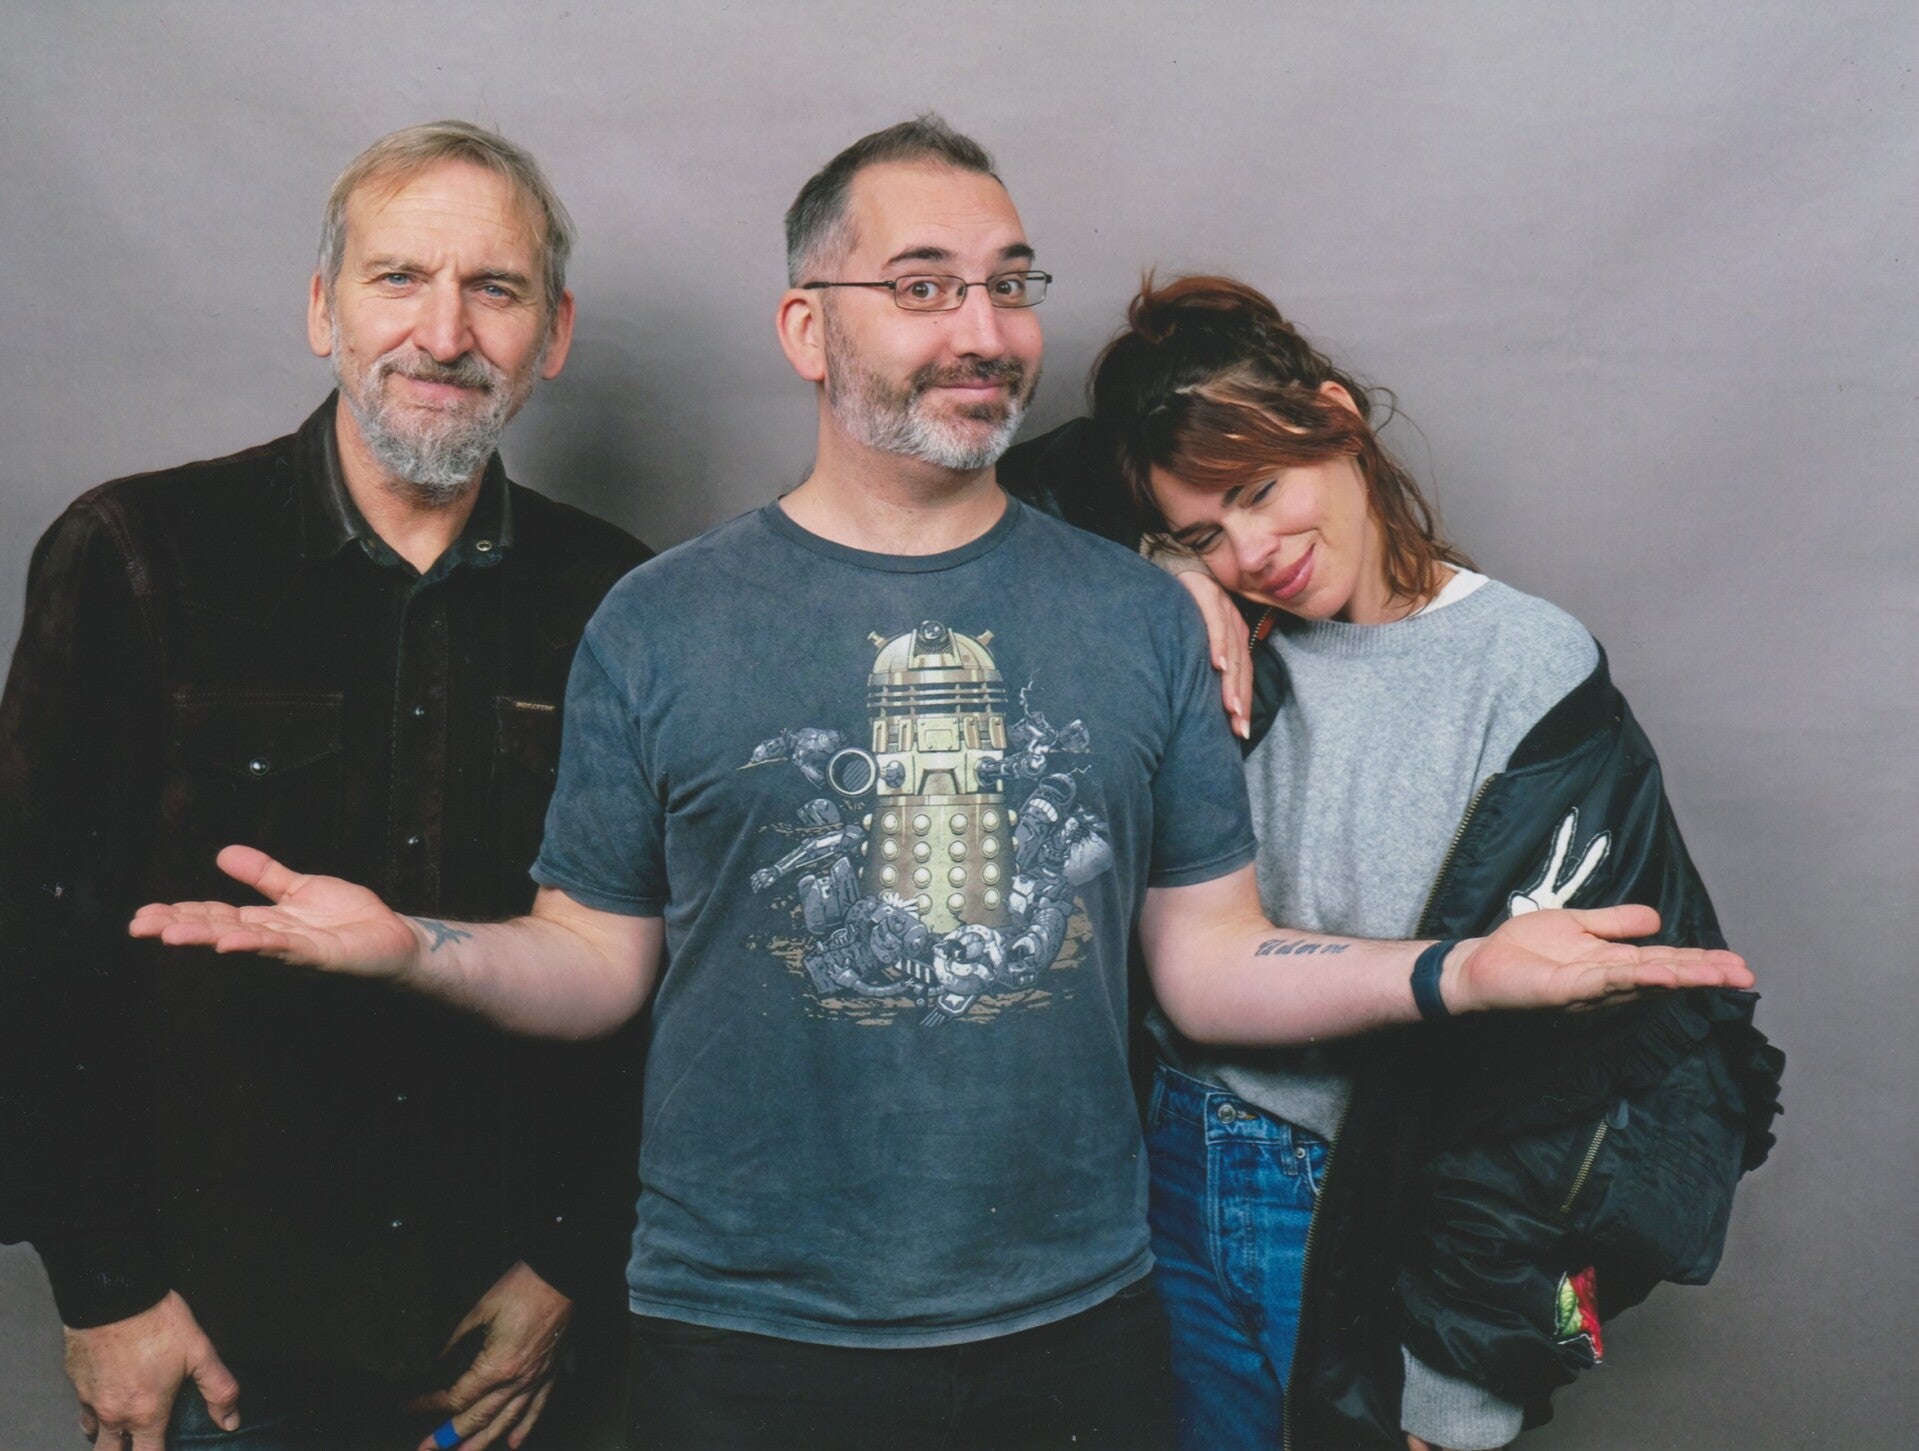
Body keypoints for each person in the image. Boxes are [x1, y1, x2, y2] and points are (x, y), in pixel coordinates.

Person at [127, 118, 1752, 1451]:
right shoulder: (660, 617)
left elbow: (1205, 959)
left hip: (1077, 1331)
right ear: (806, 328)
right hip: (736, 1338)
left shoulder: (1135, 616)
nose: (981, 329)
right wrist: (412, 946)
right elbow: (593, 959)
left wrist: (1458, 971)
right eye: (919, 285)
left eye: (1006, 284)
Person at [1003, 275, 1785, 1450]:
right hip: (1154, 1173)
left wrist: (1456, 1378)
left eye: (1260, 491)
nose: (1252, 551)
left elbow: (1558, 1082)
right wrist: (1163, 566)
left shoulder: (1526, 670)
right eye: (1207, 528)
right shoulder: (1208, 626)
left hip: (1360, 1207)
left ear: (1336, 420)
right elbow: (988, 503)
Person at [0, 122, 652, 1451]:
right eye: (398, 277)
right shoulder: (137, 553)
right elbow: (28, 943)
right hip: (216, 1335)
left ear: (554, 333)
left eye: (495, 288)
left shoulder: (624, 596)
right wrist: (104, 1285)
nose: (443, 333)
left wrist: (571, 1263)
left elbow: (654, 967)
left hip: (508, 1333)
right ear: (322, 308)